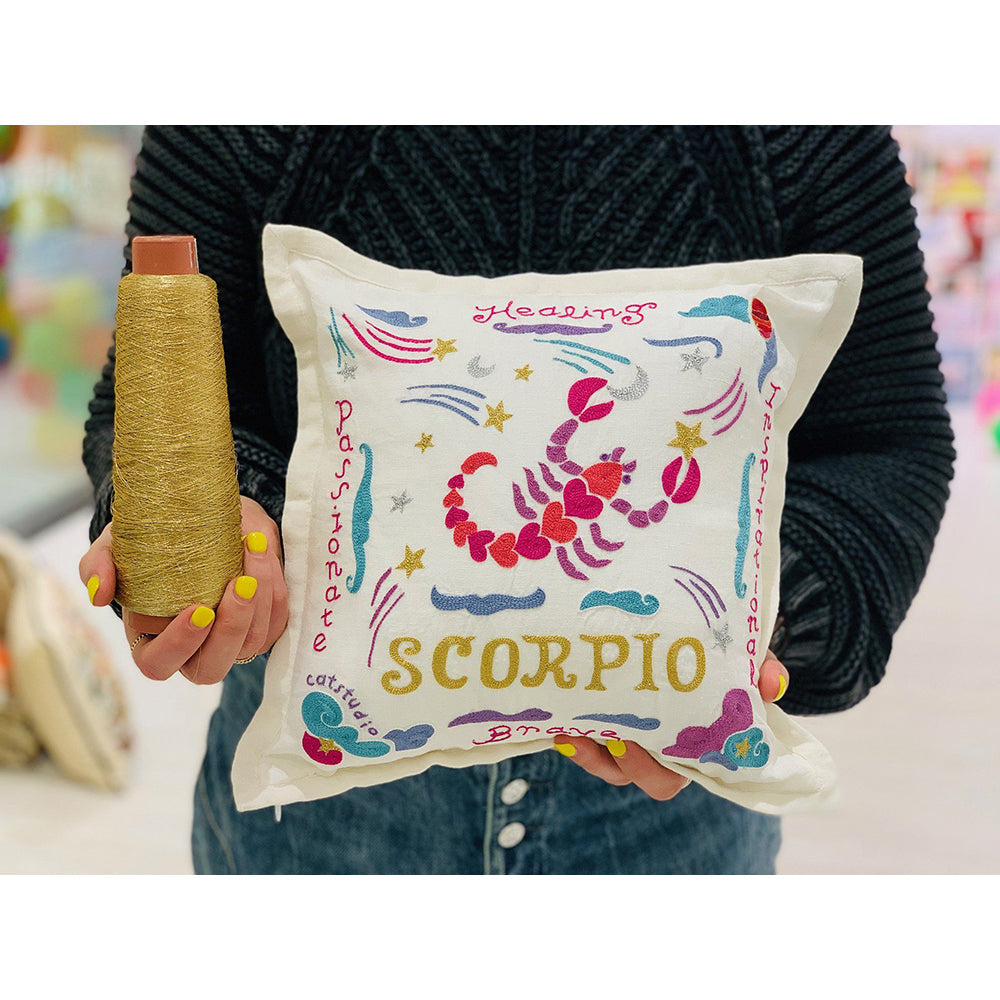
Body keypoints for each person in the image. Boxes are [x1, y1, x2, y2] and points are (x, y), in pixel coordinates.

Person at [79, 126, 955, 874]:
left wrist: (754, 615)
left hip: (674, 828)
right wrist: (223, 526)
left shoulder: (789, 129)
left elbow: (886, 444)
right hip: (323, 824)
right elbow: (157, 400)